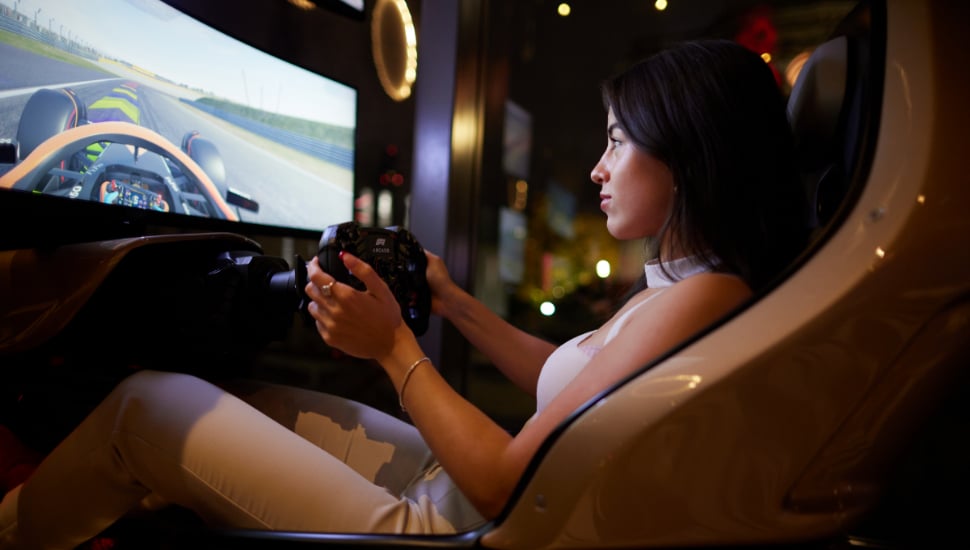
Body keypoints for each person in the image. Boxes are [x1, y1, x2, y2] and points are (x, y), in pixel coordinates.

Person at [0, 39, 808, 549]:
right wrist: (452, 300)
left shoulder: (704, 301)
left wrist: (393, 347)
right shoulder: (693, 288)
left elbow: (501, 482)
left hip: (458, 522)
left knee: (146, 404)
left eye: (618, 141)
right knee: (228, 399)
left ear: (689, 156)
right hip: (468, 495)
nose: (599, 167)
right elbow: (563, 381)